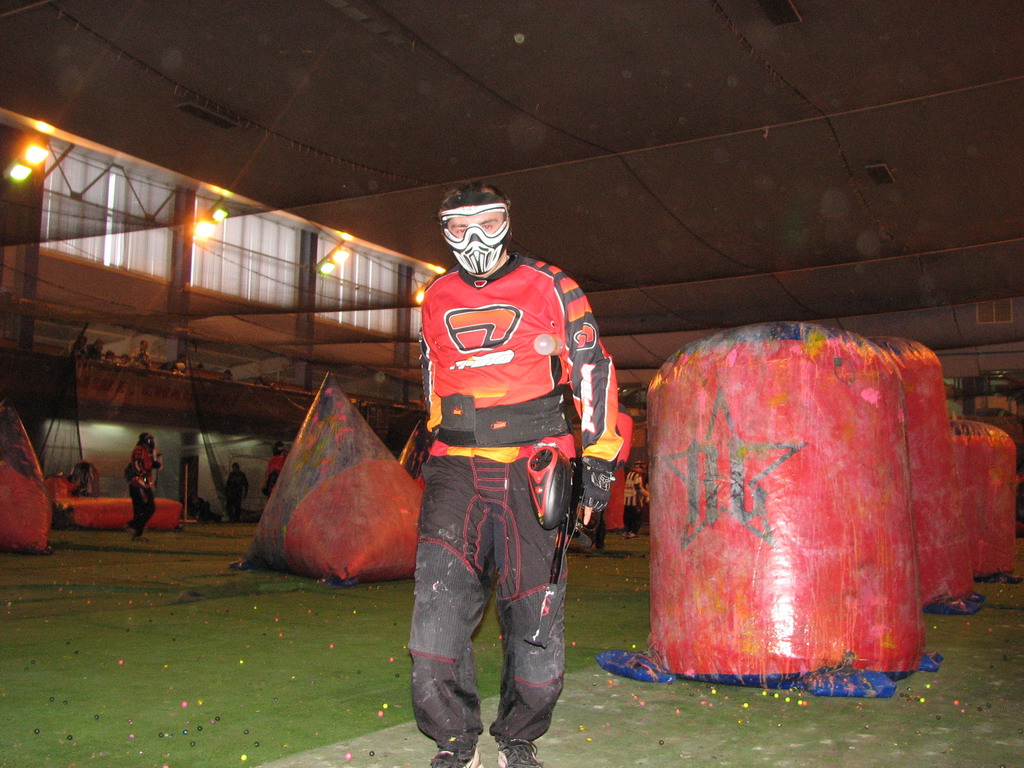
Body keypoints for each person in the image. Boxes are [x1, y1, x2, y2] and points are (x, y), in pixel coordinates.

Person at [410, 181, 621, 768]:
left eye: (486, 221)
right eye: (458, 227)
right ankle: (454, 743)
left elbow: (592, 370)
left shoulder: (553, 285)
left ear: (507, 220)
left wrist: (599, 461)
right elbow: (431, 376)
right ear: (444, 231)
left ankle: (518, 739)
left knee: (535, 610)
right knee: (437, 613)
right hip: (455, 469)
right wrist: (433, 444)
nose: (473, 237)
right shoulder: (435, 296)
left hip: (534, 466)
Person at [125, 432, 161, 541]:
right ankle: (132, 525)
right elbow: (137, 466)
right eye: (150, 440)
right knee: (149, 507)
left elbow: (150, 465)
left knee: (141, 509)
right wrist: (145, 479)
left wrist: (154, 463)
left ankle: (137, 534)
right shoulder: (139, 449)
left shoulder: (148, 451)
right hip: (138, 483)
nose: (152, 442)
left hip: (142, 482)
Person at [622, 460, 649, 538]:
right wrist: (647, 494)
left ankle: (627, 531)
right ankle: (633, 532)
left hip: (627, 500)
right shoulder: (637, 475)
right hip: (635, 500)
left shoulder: (629, 474)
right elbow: (638, 488)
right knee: (637, 517)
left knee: (628, 517)